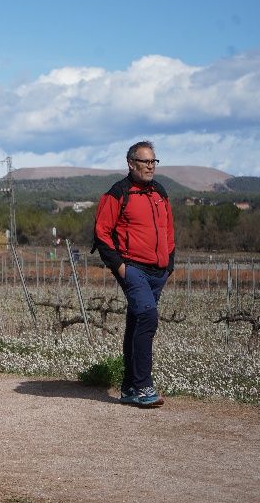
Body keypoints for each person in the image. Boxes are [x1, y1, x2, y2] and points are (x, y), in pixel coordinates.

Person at [93, 141, 174, 407]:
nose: (151, 166)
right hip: (133, 268)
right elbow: (102, 232)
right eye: (145, 161)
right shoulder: (118, 193)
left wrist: (169, 261)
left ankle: (129, 387)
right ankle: (142, 386)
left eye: (153, 161)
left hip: (158, 271)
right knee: (148, 318)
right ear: (131, 163)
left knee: (137, 322)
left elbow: (168, 230)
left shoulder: (159, 192)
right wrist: (120, 267)